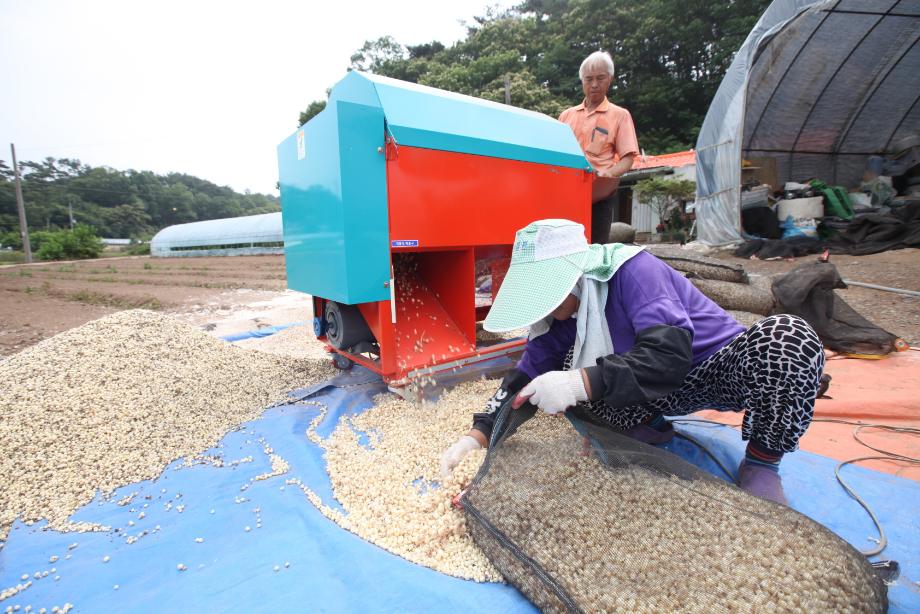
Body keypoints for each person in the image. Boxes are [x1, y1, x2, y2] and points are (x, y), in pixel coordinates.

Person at [440, 219, 826, 505]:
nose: (545, 305)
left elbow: (669, 357)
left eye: (549, 292)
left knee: (788, 339)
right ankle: (649, 426)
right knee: (572, 376)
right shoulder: (560, 319)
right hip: (653, 390)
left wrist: (579, 383)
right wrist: (480, 434)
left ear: (574, 277)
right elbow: (525, 378)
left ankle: (762, 462)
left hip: (713, 368)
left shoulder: (633, 272)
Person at [559, 51, 639, 244]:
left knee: (595, 247)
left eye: (600, 78)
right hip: (567, 194)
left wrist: (607, 174)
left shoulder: (619, 115)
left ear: (609, 79)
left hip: (599, 195)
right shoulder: (566, 116)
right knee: (565, 247)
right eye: (589, 79)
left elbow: (628, 158)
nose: (594, 84)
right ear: (582, 81)